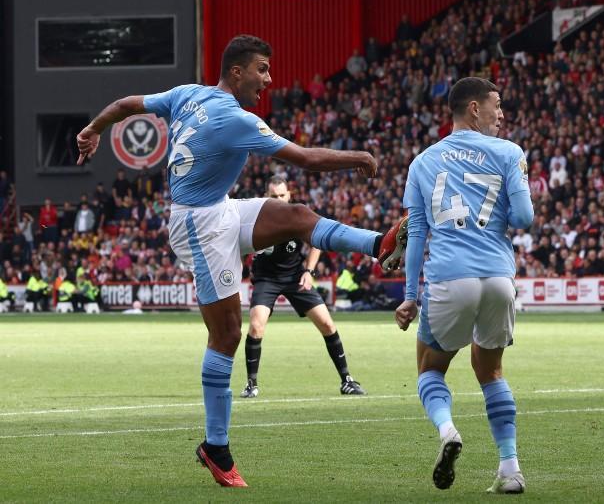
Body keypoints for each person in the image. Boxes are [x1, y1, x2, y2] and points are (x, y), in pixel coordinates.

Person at [75, 35, 406, 488]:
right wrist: (359, 157)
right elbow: (305, 158)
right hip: (200, 224)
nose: (268, 80)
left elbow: (126, 103)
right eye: (262, 70)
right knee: (227, 333)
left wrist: (94, 129)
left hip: (219, 208)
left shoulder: (187, 94)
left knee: (296, 215)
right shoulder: (234, 117)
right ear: (236, 72)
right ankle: (216, 446)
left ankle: (379, 245)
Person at [392, 77, 535, 494]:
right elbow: (524, 218)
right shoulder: (510, 153)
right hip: (497, 278)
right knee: (490, 371)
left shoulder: (422, 162)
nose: (502, 114)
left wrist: (409, 296)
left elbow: (415, 233)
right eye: (497, 105)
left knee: (430, 368)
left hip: (450, 278)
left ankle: (448, 431)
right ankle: (510, 469)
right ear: (474, 109)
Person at [241, 177, 366, 399]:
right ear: (266, 196)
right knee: (256, 326)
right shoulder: (255, 217)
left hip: (295, 277)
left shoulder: (297, 216)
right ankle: (251, 384)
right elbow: (239, 244)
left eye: (282, 195)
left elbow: (317, 242)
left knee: (327, 324)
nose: (278, 199)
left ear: (289, 195)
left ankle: (346, 380)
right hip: (266, 279)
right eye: (273, 196)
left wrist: (309, 271)